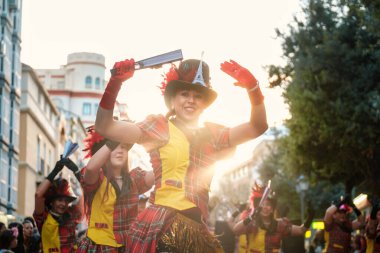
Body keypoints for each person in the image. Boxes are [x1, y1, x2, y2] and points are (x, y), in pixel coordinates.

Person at [95, 55, 268, 252]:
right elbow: (104, 125)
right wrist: (115, 83)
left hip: (196, 231)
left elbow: (258, 126)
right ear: (173, 99)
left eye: (198, 96)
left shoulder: (214, 134)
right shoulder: (158, 127)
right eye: (185, 94)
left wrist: (253, 88)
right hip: (161, 227)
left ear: (204, 103)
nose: (191, 100)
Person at [76, 126, 154, 252]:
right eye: (114, 146)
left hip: (129, 247)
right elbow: (90, 168)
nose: (120, 150)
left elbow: (159, 173)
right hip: (99, 247)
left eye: (124, 147)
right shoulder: (97, 179)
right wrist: (118, 135)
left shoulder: (135, 178)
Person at [232, 182, 313, 253]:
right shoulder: (251, 224)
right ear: (257, 207)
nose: (265, 207)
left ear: (272, 208)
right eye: (262, 205)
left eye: (268, 205)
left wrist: (310, 217)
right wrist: (250, 217)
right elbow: (235, 230)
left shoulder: (280, 224)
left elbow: (301, 231)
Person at [33, 156, 83, 253]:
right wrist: (55, 171)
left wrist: (76, 171)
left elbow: (88, 191)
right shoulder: (43, 217)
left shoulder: (72, 215)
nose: (63, 204)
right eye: (60, 200)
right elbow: (38, 195)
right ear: (52, 201)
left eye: (66, 200)